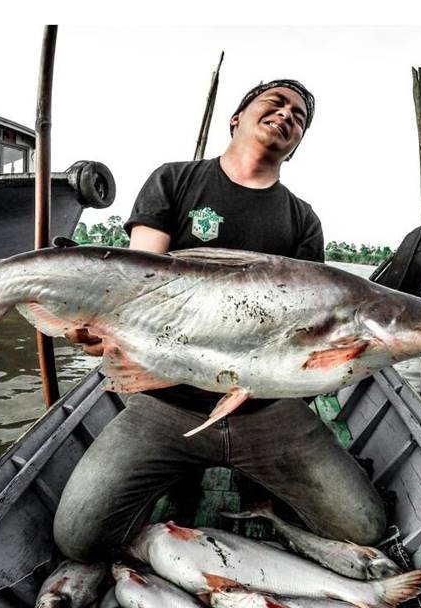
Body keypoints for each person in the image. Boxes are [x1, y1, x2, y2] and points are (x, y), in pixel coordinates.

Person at [53, 79, 386, 561]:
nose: (287, 114)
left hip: (268, 410)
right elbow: (135, 283)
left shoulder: (302, 220)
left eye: (299, 116)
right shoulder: (174, 179)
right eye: (275, 102)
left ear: (296, 145)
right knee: (79, 539)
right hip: (163, 402)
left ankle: (259, 490)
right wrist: (102, 325)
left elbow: (310, 334)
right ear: (237, 117)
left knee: (365, 528)